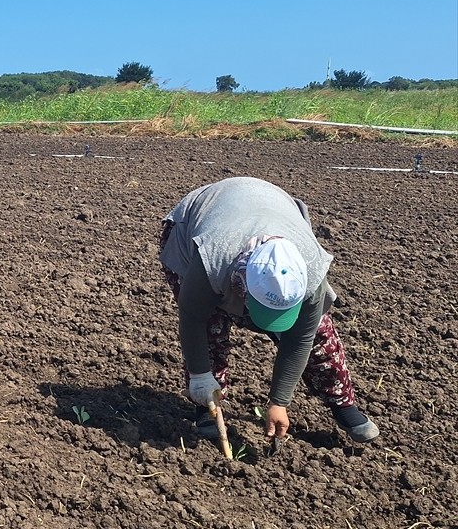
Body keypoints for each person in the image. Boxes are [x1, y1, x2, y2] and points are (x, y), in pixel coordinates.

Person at [158, 176, 379, 443]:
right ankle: (207, 406)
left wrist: (279, 402)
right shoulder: (212, 262)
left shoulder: (311, 271)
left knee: (319, 334)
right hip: (198, 224)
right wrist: (200, 377)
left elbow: (300, 340)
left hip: (269, 207)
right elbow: (192, 317)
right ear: (243, 287)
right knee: (210, 326)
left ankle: (343, 405)